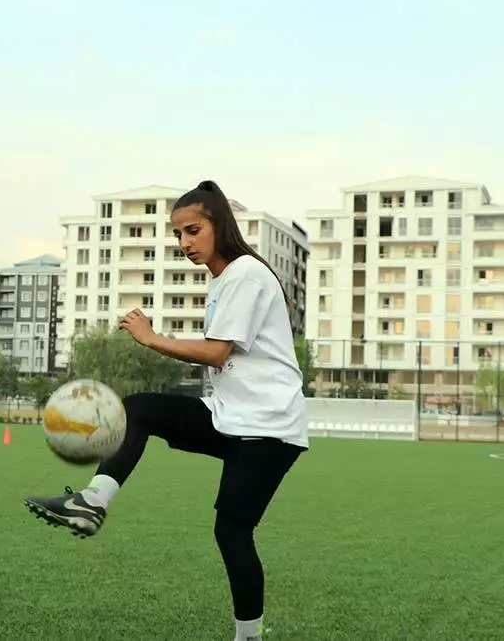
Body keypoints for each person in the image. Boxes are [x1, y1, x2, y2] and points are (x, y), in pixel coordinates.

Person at [23, 180, 308, 641]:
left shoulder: (245, 274)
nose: (184, 243)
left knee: (232, 531)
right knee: (139, 409)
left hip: (270, 428)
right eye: (178, 235)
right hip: (230, 415)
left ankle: (249, 637)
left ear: (219, 224)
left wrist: (152, 337)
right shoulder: (226, 279)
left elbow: (217, 353)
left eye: (193, 230)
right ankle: (91, 502)